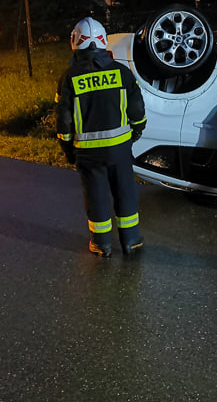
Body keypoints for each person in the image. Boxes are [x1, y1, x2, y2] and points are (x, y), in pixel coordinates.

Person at [56, 17, 147, 257]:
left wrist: (67, 149)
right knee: (125, 190)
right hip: (119, 148)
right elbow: (137, 110)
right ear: (103, 40)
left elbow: (64, 121)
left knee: (96, 195)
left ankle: (101, 244)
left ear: (75, 42)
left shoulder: (69, 78)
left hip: (88, 153)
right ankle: (132, 241)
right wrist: (136, 132)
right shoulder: (122, 72)